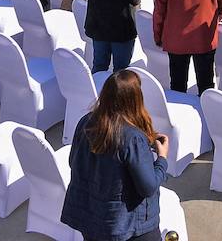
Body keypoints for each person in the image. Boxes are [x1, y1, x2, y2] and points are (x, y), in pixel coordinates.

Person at [61, 70, 170, 241]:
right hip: (129, 227)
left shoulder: (85, 122)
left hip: (92, 218)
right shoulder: (132, 138)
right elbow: (148, 187)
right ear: (135, 99)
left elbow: (72, 162)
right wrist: (162, 159)